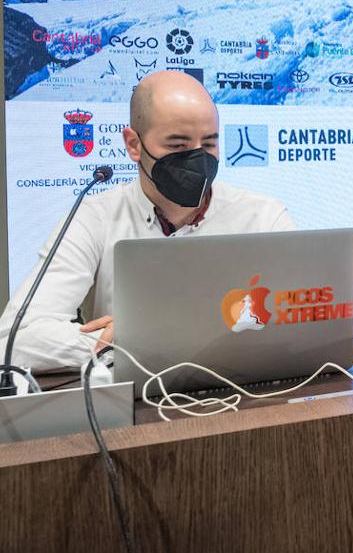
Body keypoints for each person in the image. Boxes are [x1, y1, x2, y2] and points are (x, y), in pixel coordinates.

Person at [0, 71, 295, 372]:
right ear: (133, 145)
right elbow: (15, 338)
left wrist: (149, 339)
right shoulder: (94, 218)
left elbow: (303, 325)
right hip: (137, 408)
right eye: (178, 146)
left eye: (208, 144)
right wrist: (121, 346)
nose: (197, 159)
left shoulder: (264, 216)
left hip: (249, 399)